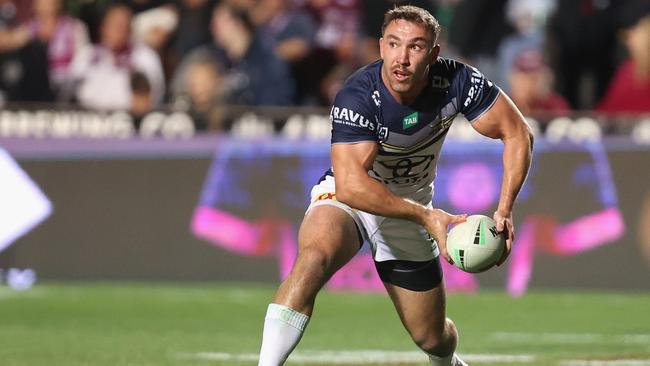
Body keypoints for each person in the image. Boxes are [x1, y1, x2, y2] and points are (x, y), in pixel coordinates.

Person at [257, 5, 533, 366]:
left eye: (416, 47)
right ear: (381, 46)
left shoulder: (458, 81)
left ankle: (449, 362)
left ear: (434, 54)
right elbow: (352, 187)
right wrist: (426, 216)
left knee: (433, 337)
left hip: (410, 209)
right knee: (314, 257)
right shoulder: (358, 94)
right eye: (393, 44)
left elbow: (517, 133)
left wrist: (505, 208)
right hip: (351, 199)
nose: (401, 58)